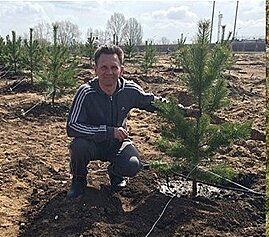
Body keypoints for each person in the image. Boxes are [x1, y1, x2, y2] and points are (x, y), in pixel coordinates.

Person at [66, 44, 193, 199]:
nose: (109, 72)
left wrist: (183, 111)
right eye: (104, 67)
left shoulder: (129, 90)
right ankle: (78, 180)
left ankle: (116, 174)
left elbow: (153, 102)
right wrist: (108, 131)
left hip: (117, 143)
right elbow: (72, 126)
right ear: (96, 69)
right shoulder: (86, 92)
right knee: (78, 146)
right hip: (91, 143)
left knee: (133, 164)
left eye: (114, 67)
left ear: (121, 70)